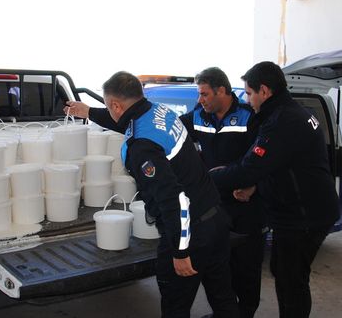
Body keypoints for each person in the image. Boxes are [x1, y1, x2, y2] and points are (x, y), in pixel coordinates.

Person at [65, 71, 239, 318]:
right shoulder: (159, 112)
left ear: (116, 104)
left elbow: (173, 199)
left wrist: (180, 252)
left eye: (108, 105)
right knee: (223, 298)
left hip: (191, 232)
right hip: (215, 218)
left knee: (175, 306)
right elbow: (125, 119)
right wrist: (90, 112)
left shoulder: (142, 147)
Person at [209, 62, 340, 318]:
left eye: (248, 93)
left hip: (303, 216)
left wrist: (207, 180)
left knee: (291, 282)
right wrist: (254, 186)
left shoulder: (282, 121)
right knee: (285, 272)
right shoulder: (289, 112)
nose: (247, 99)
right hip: (306, 210)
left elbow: (250, 168)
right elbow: (279, 163)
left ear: (265, 91)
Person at [179, 67, 267, 318]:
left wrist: (254, 185)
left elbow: (268, 159)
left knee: (247, 268)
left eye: (204, 94)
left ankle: (246, 313)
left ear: (222, 91)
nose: (200, 100)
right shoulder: (197, 117)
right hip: (214, 208)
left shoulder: (249, 117)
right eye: (199, 94)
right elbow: (166, 129)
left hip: (246, 205)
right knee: (219, 269)